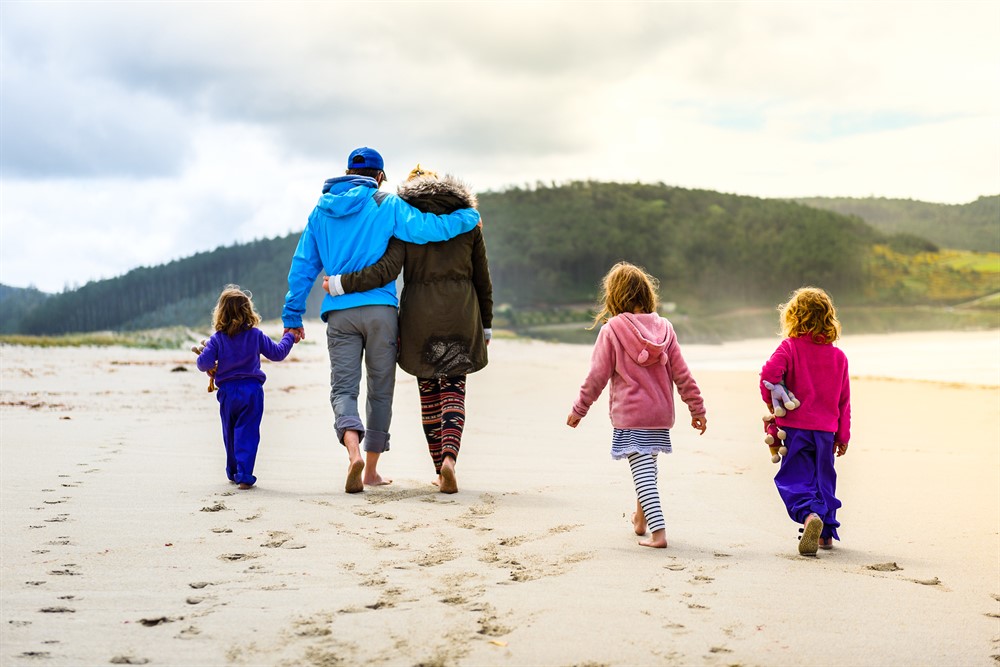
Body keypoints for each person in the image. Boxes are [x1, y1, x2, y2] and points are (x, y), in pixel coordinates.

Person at [281, 148, 480, 494]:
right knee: (380, 392)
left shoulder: (320, 211)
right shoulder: (385, 204)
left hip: (339, 314)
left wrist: (292, 316)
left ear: (346, 172)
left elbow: (302, 267)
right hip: (381, 313)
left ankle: (353, 453)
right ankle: (371, 471)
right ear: (380, 176)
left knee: (343, 389)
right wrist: (467, 218)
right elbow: (426, 228)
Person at [566, 262, 707, 548]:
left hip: (632, 414)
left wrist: (579, 409)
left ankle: (658, 532)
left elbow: (597, 376)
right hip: (660, 414)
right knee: (647, 466)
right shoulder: (665, 328)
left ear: (614, 297)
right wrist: (697, 408)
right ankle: (640, 520)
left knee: (643, 473)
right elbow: (682, 374)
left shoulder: (613, 330)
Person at [759, 286, 850, 556]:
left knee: (796, 477)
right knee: (824, 479)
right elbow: (844, 401)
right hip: (825, 431)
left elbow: (768, 375)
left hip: (796, 429)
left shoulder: (789, 347)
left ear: (793, 317)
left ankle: (809, 517)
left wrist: (771, 400)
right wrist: (843, 436)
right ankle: (825, 535)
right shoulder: (838, 357)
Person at [197, 285, 296, 489]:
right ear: (248, 311)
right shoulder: (255, 335)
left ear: (220, 312)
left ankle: (233, 472)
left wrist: (206, 355)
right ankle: (244, 475)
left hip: (227, 393)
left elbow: (203, 364)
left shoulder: (217, 340)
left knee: (230, 431)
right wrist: (289, 337)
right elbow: (277, 353)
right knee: (247, 431)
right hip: (251, 391)